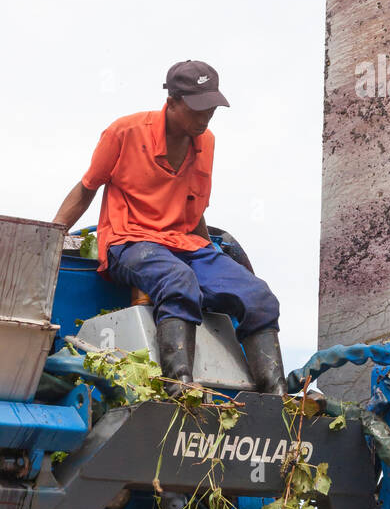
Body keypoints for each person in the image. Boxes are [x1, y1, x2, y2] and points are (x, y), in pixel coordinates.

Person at [52, 60, 286, 396]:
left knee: (258, 295)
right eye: (197, 108)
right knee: (177, 281)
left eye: (211, 107)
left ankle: (276, 395)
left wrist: (216, 260)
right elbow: (87, 188)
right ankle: (180, 386)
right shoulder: (124, 132)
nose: (205, 117)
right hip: (129, 243)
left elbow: (194, 209)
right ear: (172, 102)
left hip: (186, 245)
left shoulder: (206, 143)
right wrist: (49, 239)